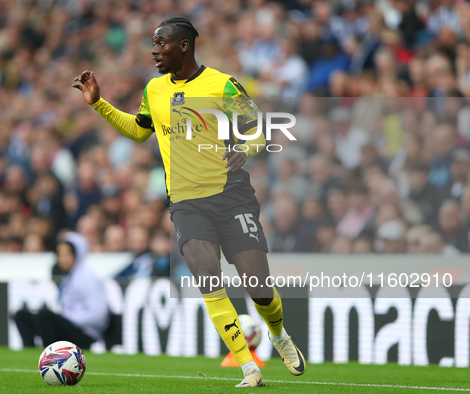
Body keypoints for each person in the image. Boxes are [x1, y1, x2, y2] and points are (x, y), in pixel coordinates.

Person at [73, 16, 305, 388]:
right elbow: (138, 131)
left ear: (183, 45)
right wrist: (99, 103)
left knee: (258, 286)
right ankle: (249, 367)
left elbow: (260, 130)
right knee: (208, 279)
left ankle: (278, 334)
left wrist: (244, 150)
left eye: (161, 43)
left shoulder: (223, 85)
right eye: (153, 43)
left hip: (232, 197)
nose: (154, 50)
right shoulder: (154, 89)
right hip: (186, 202)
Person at [15, 232, 110, 349]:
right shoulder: (69, 277)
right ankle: (28, 353)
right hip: (70, 326)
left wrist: (68, 318)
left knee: (45, 316)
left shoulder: (88, 277)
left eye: (66, 254)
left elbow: (98, 315)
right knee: (21, 315)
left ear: (77, 254)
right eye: (59, 254)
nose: (61, 259)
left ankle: (51, 355)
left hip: (85, 334)